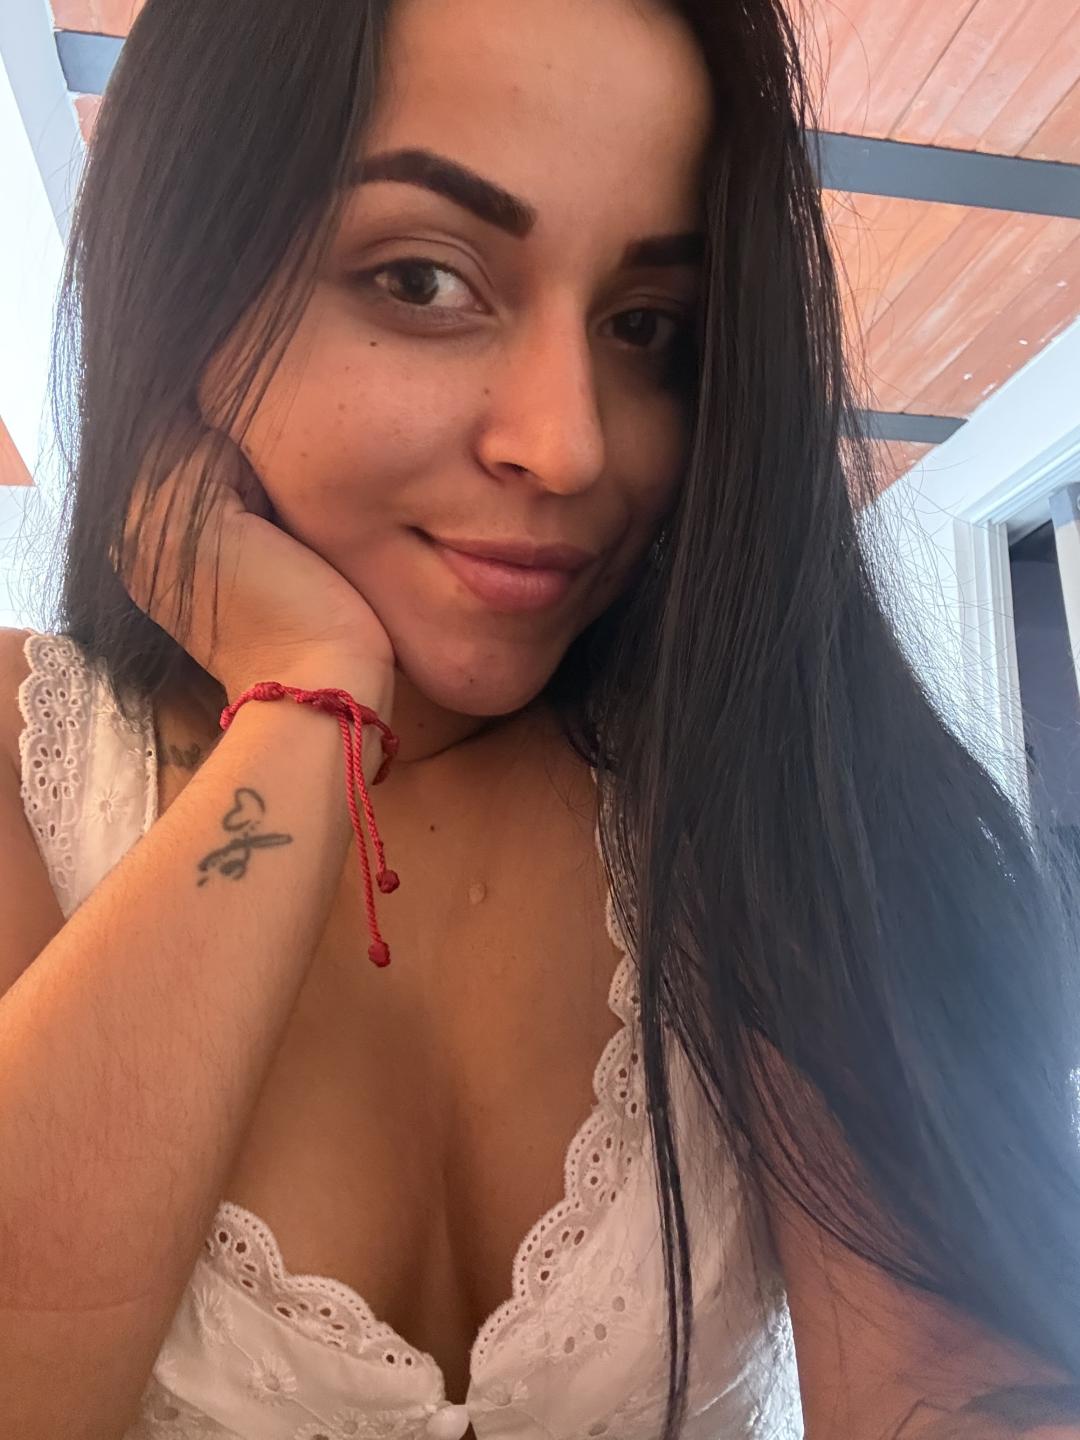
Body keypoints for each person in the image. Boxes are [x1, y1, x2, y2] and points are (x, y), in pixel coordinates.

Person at [2, 0, 1080, 1436]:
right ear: (185, 279)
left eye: (647, 327)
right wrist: (306, 698)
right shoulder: (27, 763)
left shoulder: (738, 793)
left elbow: (946, 1387)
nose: (568, 445)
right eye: (423, 280)